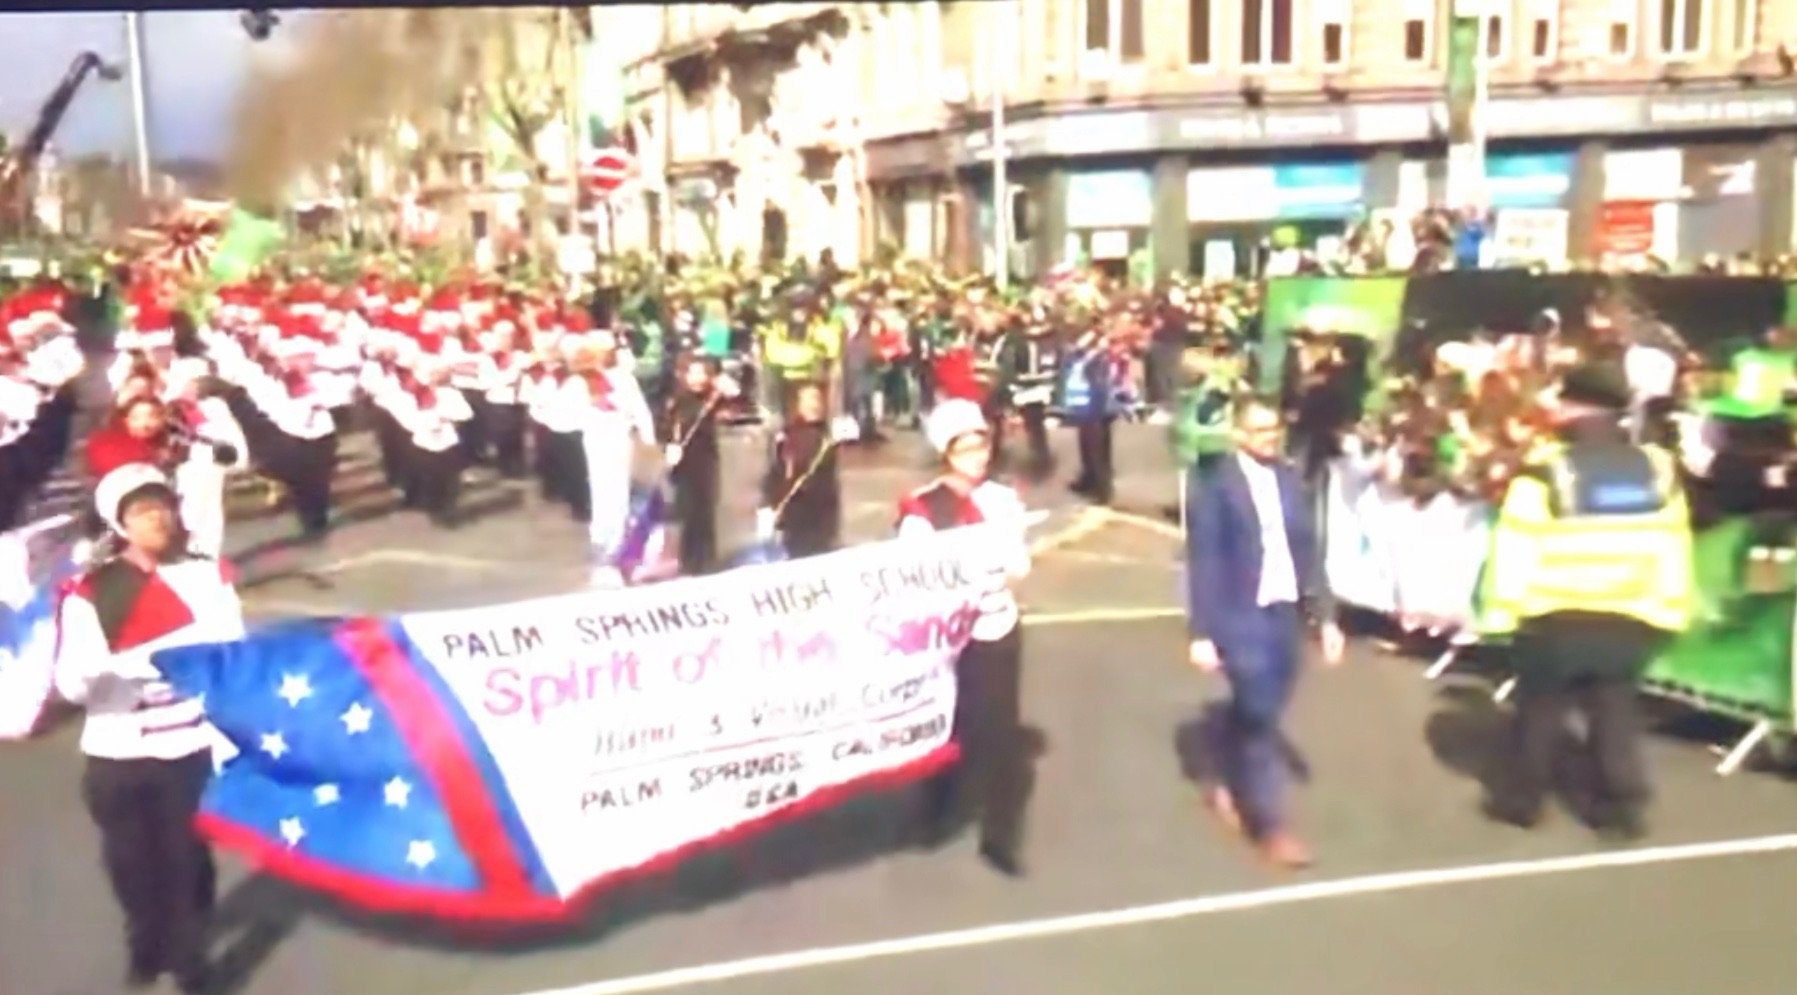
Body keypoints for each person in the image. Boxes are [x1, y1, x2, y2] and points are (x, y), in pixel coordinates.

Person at [1480, 365, 1695, 841]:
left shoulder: (1546, 472)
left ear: (1575, 408)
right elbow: (1672, 544)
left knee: (1540, 712)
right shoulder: (1657, 472)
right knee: (1615, 713)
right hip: (1629, 613)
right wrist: (1670, 610)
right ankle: (1622, 809)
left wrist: (1500, 616)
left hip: (1555, 615)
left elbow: (1517, 546)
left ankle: (1522, 802)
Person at [53, 463, 245, 993]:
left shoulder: (208, 577)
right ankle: (146, 944)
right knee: (130, 865)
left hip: (189, 745)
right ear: (120, 524)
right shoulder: (91, 592)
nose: (156, 517)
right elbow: (70, 684)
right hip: (117, 750)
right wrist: (105, 667)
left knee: (187, 861)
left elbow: (230, 653)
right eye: (141, 510)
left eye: (162, 505)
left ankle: (190, 960)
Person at [1184, 395, 1344, 869]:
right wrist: (1201, 631)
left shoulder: (1291, 480)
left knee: (1263, 706)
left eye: (1274, 429)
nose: (1269, 438)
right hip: (1240, 614)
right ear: (1238, 435)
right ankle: (1272, 825)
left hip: (1283, 613)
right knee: (1261, 717)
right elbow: (1205, 560)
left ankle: (1222, 768)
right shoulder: (1216, 486)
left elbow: (1310, 552)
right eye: (1258, 430)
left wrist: (1326, 618)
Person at [897, 398, 1035, 877]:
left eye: (983, 445)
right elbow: (912, 576)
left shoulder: (1002, 500)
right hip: (947, 637)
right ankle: (935, 810)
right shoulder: (922, 509)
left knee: (1001, 734)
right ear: (945, 453)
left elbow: (1020, 563)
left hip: (996, 629)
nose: (978, 456)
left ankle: (1002, 835)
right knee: (946, 725)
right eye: (966, 448)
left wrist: (1005, 569)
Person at [758, 380, 841, 558]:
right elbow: (776, 473)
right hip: (794, 517)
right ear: (798, 405)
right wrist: (768, 505)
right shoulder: (787, 437)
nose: (814, 405)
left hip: (820, 519)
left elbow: (828, 485)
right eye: (808, 400)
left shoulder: (827, 437)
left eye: (818, 400)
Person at [663, 354, 724, 575]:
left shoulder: (713, 400)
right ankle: (688, 559)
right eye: (693, 373)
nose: (698, 379)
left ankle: (706, 559)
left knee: (705, 511)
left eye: (702, 374)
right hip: (683, 465)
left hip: (706, 462)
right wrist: (669, 447)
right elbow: (668, 428)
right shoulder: (677, 402)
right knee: (687, 512)